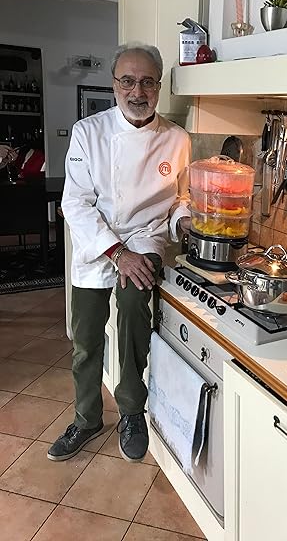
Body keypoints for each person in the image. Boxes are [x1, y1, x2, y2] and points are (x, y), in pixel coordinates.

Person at [48, 43, 191, 463]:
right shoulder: (88, 132)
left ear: (159, 87)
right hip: (98, 247)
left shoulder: (177, 139)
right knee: (86, 340)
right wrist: (115, 252)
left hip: (145, 240)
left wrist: (184, 221)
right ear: (114, 85)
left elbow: (180, 199)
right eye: (127, 81)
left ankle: (131, 410)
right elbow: (75, 203)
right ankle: (87, 418)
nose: (137, 91)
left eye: (147, 82)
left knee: (131, 311)